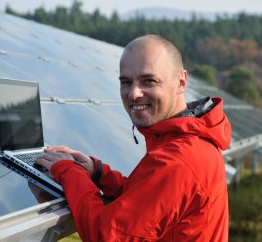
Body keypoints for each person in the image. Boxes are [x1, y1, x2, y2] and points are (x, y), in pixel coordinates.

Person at [35, 34, 231, 242]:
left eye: (149, 81)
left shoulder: (178, 159)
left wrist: (69, 171)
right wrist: (98, 172)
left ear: (181, 82)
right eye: (126, 82)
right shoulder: (188, 141)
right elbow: (148, 201)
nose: (133, 94)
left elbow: (106, 236)